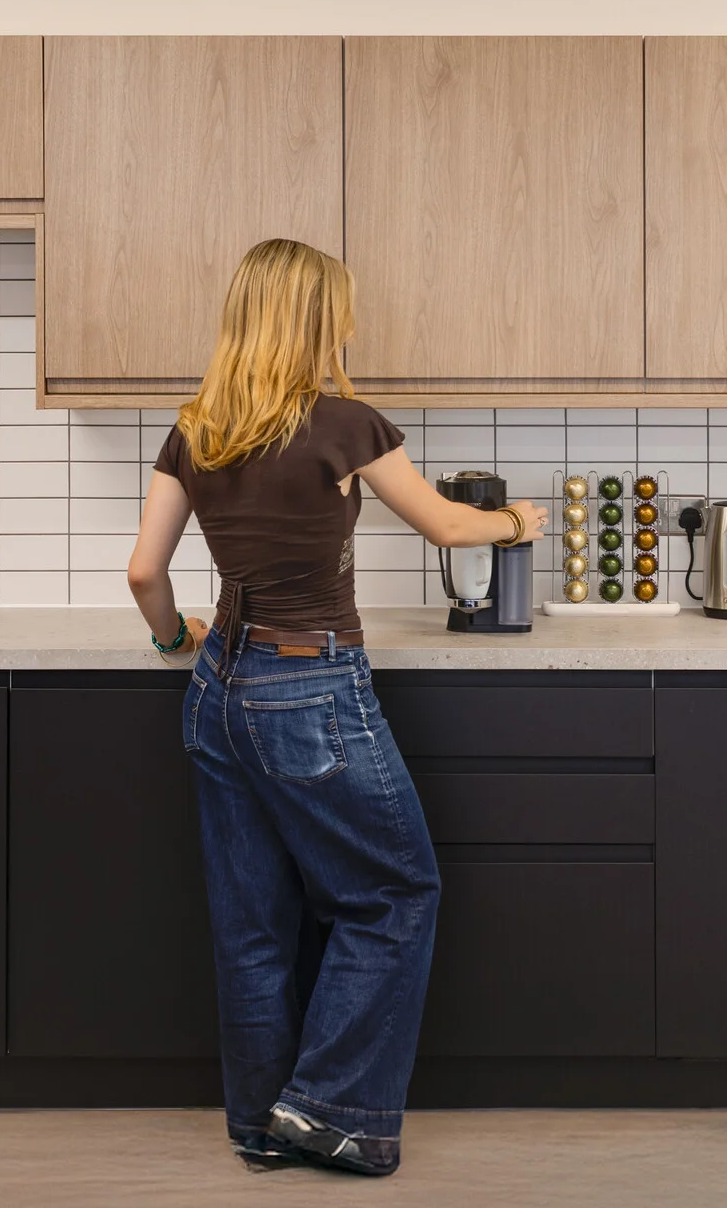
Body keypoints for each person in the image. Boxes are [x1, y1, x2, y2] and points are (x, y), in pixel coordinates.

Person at [127, 237, 545, 1178]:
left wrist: (174, 636)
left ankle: (260, 1125)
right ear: (317, 320)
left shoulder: (196, 427)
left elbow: (145, 571)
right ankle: (332, 1111)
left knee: (253, 923)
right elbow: (444, 522)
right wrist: (518, 521)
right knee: (396, 892)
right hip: (311, 687)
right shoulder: (346, 425)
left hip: (218, 689)